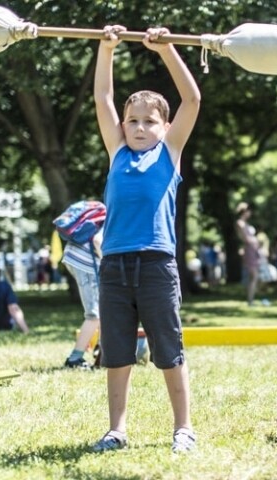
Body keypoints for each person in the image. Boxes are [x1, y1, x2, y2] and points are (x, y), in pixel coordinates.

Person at [92, 24, 200, 453]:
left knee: (168, 350)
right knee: (116, 353)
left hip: (157, 264)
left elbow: (193, 99)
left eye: (149, 122)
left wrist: (168, 49)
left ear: (165, 125)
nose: (139, 128)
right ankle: (116, 430)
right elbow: (102, 98)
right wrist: (107, 49)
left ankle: (183, 428)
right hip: (114, 265)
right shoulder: (117, 151)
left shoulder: (169, 153)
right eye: (132, 121)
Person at [62, 227, 103, 370]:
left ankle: (102, 351)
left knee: (104, 309)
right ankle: (74, 359)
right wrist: (107, 264)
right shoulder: (114, 216)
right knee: (95, 314)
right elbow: (98, 241)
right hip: (85, 263)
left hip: (76, 257)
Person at [235, 202, 261, 306]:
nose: (250, 213)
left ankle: (251, 299)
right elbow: (245, 238)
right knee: (253, 275)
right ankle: (250, 300)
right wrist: (255, 242)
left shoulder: (245, 223)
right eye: (248, 211)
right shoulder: (240, 223)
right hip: (249, 250)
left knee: (254, 276)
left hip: (253, 250)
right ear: (244, 211)